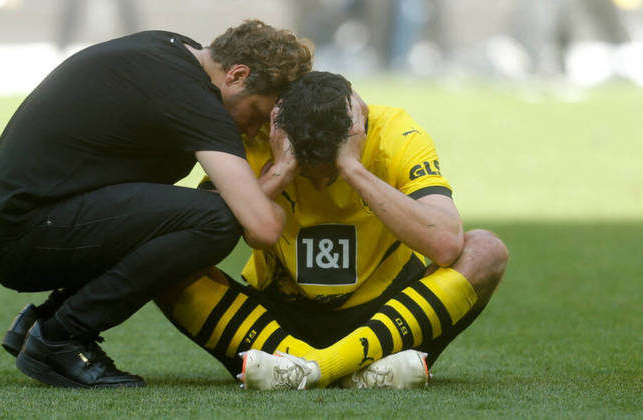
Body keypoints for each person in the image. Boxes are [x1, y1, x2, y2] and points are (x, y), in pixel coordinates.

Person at [0, 20, 312, 389]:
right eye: (257, 113)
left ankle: (44, 319)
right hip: (23, 235)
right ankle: (60, 337)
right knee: (215, 222)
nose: (251, 131)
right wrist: (283, 168)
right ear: (237, 75)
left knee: (199, 214)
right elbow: (261, 228)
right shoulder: (190, 94)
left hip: (21, 222)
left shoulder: (173, 55)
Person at [154, 71, 509, 390]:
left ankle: (311, 370)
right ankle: (361, 372)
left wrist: (352, 169)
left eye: (331, 171)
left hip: (390, 315)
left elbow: (446, 243)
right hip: (277, 319)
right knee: (160, 255)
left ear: (357, 130)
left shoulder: (395, 130)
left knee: (485, 251)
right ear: (282, 136)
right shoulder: (256, 140)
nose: (322, 184)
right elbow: (192, 233)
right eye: (309, 172)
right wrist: (281, 171)